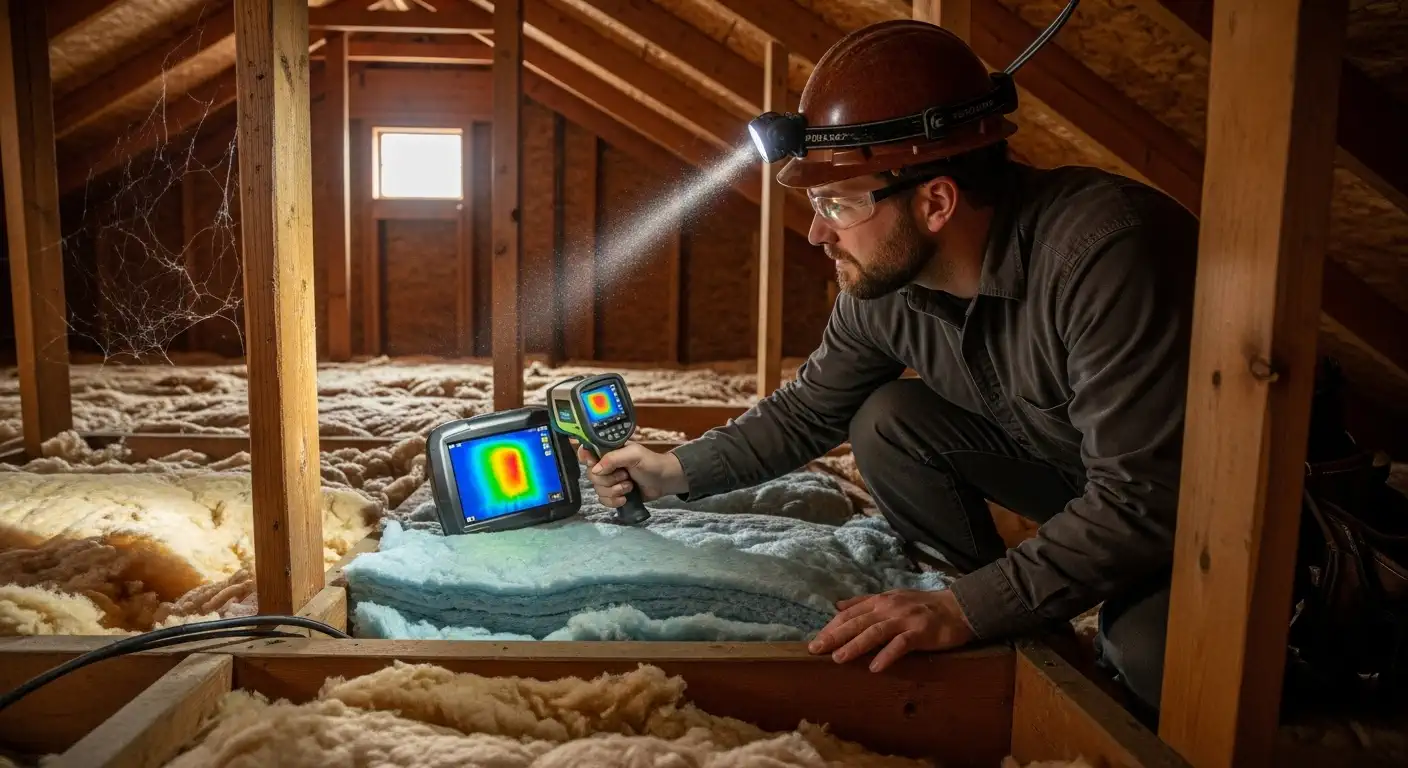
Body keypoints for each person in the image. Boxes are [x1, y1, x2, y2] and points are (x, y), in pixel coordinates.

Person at [576, 18, 1198, 716]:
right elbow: (809, 410)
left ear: (936, 202)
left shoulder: (1105, 255)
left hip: (1207, 515)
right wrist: (674, 470)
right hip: (1084, 476)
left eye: (837, 203)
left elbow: (1143, 497)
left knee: (1152, 660)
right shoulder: (887, 286)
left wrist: (964, 608)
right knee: (887, 420)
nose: (818, 232)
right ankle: (1021, 633)